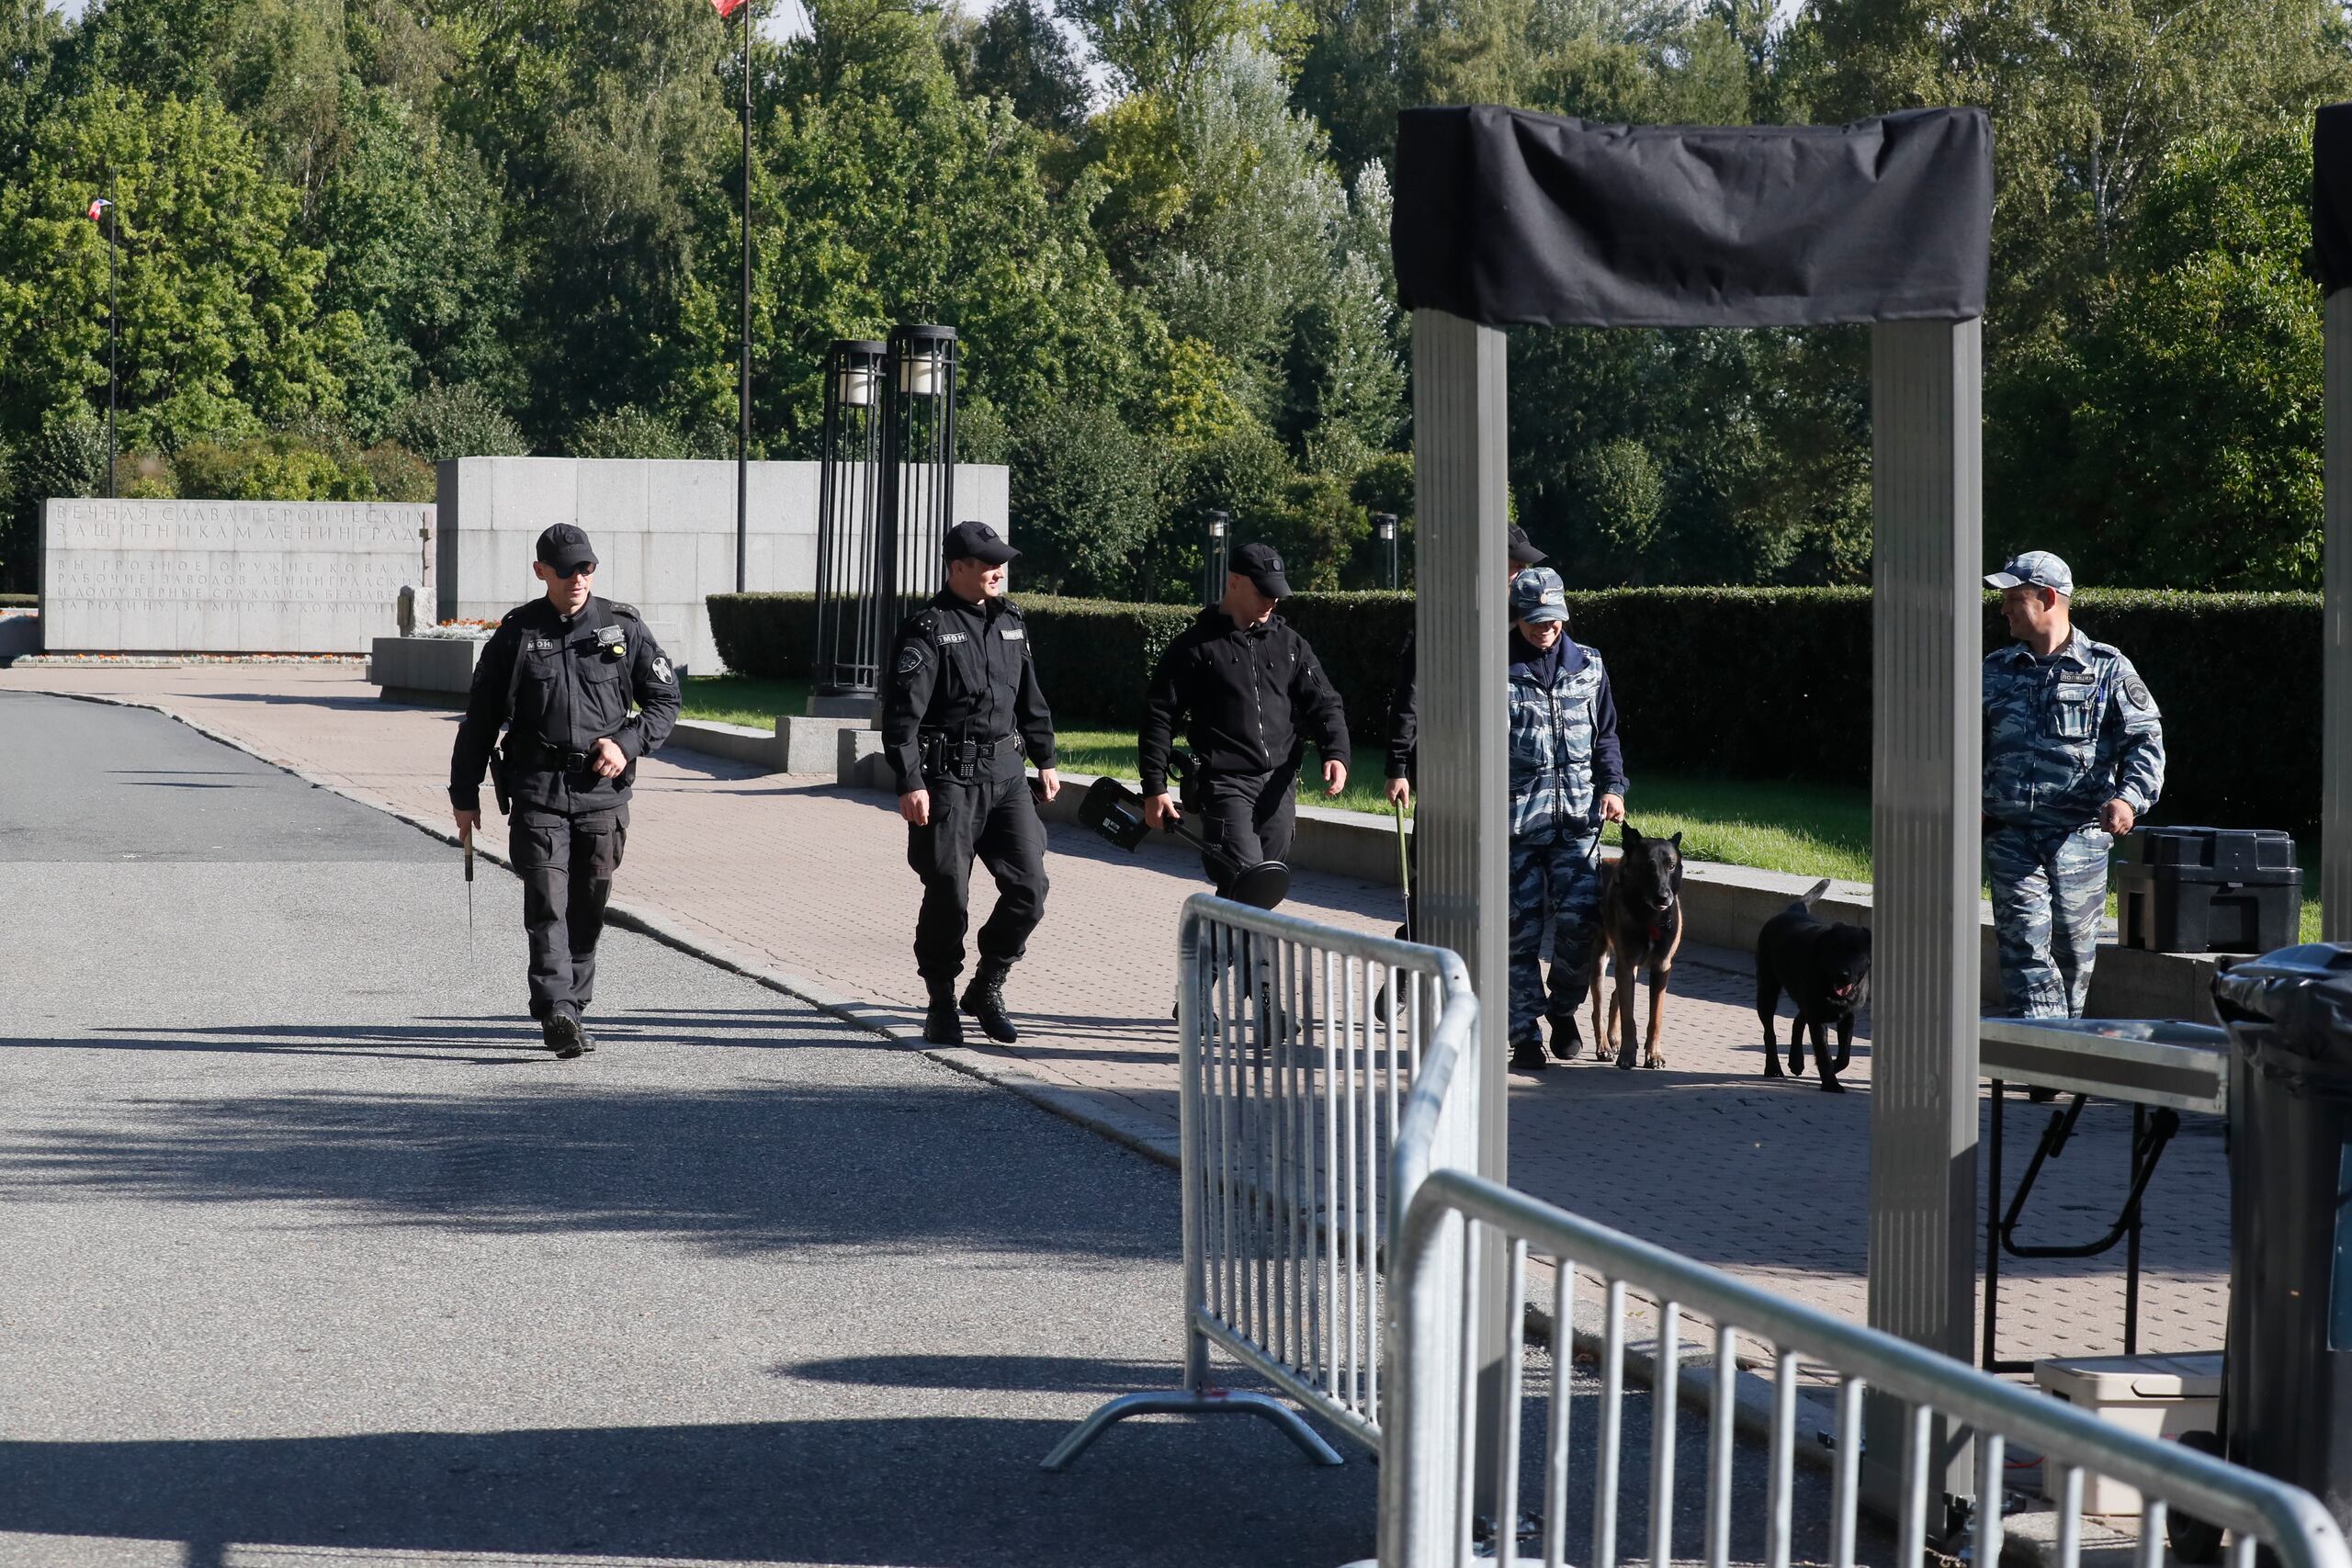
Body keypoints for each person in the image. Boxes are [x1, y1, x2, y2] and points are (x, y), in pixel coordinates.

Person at [450, 524, 681, 1057]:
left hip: (603, 793)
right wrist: (464, 794)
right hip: (538, 790)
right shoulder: (516, 635)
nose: (578, 578)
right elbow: (480, 721)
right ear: (541, 572)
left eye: (586, 568)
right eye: (565, 569)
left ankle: (572, 1006)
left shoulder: (622, 628)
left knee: (589, 903)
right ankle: (556, 1009)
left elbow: (665, 701)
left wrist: (626, 742)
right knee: (547, 901)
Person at [883, 520, 1061, 1047]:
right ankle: (941, 1000)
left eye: (1001, 562)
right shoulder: (929, 629)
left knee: (1030, 890)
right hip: (947, 782)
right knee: (948, 894)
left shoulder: (1012, 621)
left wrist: (1046, 758)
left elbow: (1030, 697)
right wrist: (910, 780)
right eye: (988, 563)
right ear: (958, 567)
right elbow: (901, 717)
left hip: (1006, 777)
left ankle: (987, 986)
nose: (998, 571)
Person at [1983, 549, 2165, 1021]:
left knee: (2074, 955)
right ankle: (2042, 1057)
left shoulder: (2106, 668)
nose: (2002, 609)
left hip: (2080, 838)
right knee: (2022, 944)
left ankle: (2066, 1047)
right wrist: (1968, 799)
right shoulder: (1993, 670)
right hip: (2010, 835)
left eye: (2012, 598)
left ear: (2046, 598)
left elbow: (2145, 741)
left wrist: (2129, 799)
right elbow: (1953, 741)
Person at [1139, 542, 1350, 903]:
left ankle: (1216, 954)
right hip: (1224, 784)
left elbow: (1325, 702)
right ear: (1234, 582)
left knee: (1265, 886)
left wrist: (1336, 753)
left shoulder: (1290, 644)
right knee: (1249, 879)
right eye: (1263, 592)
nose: (1272, 602)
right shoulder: (1195, 648)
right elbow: (1159, 717)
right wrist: (1154, 787)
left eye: (1277, 593)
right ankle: (1239, 957)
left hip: (1278, 784)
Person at [1505, 566, 1626, 1073]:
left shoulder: (1590, 667)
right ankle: (1524, 1032)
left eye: (1551, 621)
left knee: (1583, 924)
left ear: (1564, 615)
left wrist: (1614, 787)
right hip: (1514, 827)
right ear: (1518, 618)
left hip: (1578, 823)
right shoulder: (1496, 667)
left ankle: (1563, 1008)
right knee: (1518, 935)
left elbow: (1607, 736)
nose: (1543, 630)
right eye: (1534, 621)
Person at [1382, 524, 1550, 813]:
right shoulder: (1440, 623)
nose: (1524, 575)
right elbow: (1411, 696)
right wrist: (1397, 767)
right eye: (1516, 567)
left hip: (1515, 776)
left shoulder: (1533, 620)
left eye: (1524, 567)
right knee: (1436, 853)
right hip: (1448, 769)